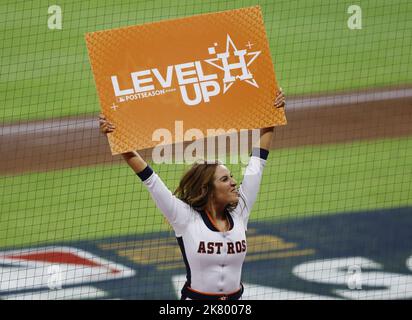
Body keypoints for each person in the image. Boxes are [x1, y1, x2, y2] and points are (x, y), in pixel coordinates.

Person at [99, 89, 286, 300]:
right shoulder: (184, 216)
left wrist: (273, 114)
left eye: (232, 177)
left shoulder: (240, 210)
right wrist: (114, 136)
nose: (234, 183)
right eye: (225, 179)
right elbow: (149, 178)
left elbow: (258, 162)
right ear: (207, 189)